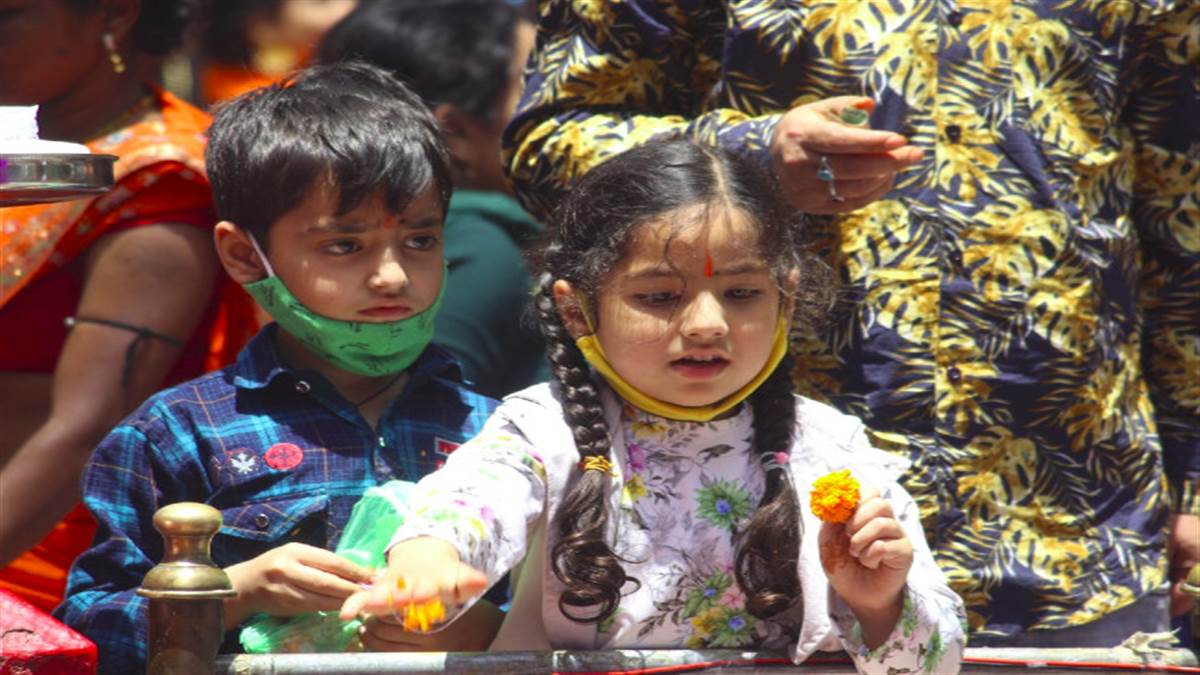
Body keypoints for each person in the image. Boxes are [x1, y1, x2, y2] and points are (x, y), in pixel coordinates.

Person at [502, 2, 1200, 647]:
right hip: (758, 545)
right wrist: (748, 158)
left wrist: (1194, 476)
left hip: (1080, 525)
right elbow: (548, 140)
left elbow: (1183, 219)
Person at [341, 140, 966, 673]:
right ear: (576, 309)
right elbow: (470, 507)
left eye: (743, 291)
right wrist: (428, 561)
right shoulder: (541, 430)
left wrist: (880, 603)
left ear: (788, 297)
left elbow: (935, 660)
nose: (707, 324)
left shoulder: (832, 449)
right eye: (661, 295)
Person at [54, 62, 503, 673]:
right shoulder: (176, 433)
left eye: (420, 240)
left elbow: (580, 615)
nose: (393, 275)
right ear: (244, 255)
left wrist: (490, 631)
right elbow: (87, 632)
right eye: (344, 245)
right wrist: (233, 591)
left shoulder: (502, 435)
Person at [0, 0, 259, 612]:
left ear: (112, 17)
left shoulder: (162, 180)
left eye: (8, 15)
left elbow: (85, 428)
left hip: (43, 561)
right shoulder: (29, 148)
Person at [317, 0, 547, 399]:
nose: (561, 108)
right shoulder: (482, 247)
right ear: (455, 130)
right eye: (535, 85)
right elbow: (423, 424)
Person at [195, 0, 356, 105]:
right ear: (260, 21)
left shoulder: (304, 57)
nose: (348, 6)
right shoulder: (247, 96)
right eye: (321, 2)